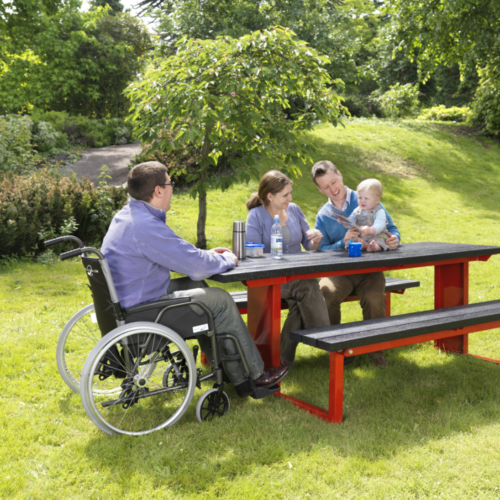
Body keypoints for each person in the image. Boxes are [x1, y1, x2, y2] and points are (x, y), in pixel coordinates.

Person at [101, 161, 289, 395]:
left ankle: (234, 373)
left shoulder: (129, 215)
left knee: (196, 286)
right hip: (142, 312)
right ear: (158, 191)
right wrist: (228, 260)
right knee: (219, 300)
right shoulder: (144, 226)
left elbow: (179, 253)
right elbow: (196, 266)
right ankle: (254, 375)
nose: (172, 188)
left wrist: (208, 255)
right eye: (171, 183)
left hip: (129, 302)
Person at [312, 160, 401, 367]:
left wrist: (394, 239)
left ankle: (375, 352)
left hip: (369, 270)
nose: (332, 189)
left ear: (340, 175)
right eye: (325, 186)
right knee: (325, 292)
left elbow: (393, 229)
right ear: (319, 189)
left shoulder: (367, 196)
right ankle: (334, 351)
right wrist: (341, 243)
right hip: (338, 273)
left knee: (373, 297)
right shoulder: (323, 215)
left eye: (334, 181)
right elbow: (321, 251)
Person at [245, 170, 331, 367]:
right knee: (308, 287)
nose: (290, 198)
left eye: (290, 193)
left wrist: (316, 240)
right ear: (270, 195)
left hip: (297, 275)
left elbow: (308, 246)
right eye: (285, 194)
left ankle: (282, 360)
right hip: (271, 279)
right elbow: (252, 253)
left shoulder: (294, 210)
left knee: (300, 302)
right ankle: (328, 343)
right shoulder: (256, 216)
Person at [347, 178, 392, 252]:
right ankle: (364, 245)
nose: (362, 201)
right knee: (352, 240)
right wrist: (346, 222)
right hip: (363, 237)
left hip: (377, 236)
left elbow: (380, 225)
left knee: (380, 241)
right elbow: (352, 219)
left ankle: (374, 247)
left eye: (366, 198)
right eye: (360, 197)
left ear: (377, 200)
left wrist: (369, 230)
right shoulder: (358, 210)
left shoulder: (379, 211)